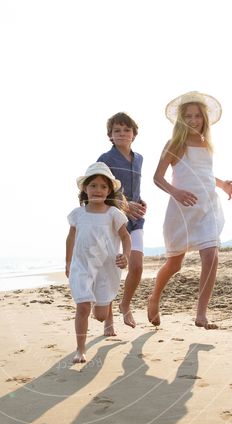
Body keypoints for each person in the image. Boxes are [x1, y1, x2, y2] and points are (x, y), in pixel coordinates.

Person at [147, 91, 232, 329]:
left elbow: (203, 173)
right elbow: (157, 177)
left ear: (205, 118)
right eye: (188, 116)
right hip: (182, 211)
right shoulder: (175, 143)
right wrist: (175, 192)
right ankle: (154, 296)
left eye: (198, 115)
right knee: (174, 265)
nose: (194, 120)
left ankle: (201, 314)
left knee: (212, 256)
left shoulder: (207, 144)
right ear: (181, 119)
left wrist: (223, 184)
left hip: (207, 207)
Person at [66, 162, 132, 363]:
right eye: (93, 185)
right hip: (82, 266)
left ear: (109, 191)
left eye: (103, 186)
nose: (98, 190)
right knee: (83, 307)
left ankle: (106, 314)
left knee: (100, 315)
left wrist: (126, 256)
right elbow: (70, 238)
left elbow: (126, 237)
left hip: (106, 268)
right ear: (85, 189)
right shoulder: (78, 214)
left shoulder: (113, 214)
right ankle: (80, 350)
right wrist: (68, 262)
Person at [97, 112, 145, 329]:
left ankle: (125, 305)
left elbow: (133, 188)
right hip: (111, 219)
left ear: (134, 134)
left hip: (135, 219)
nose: (122, 134)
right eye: (117, 130)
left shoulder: (140, 159)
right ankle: (108, 321)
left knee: (136, 266)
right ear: (110, 135)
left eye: (127, 130)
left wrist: (140, 200)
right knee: (110, 269)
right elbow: (100, 191)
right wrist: (125, 204)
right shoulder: (105, 160)